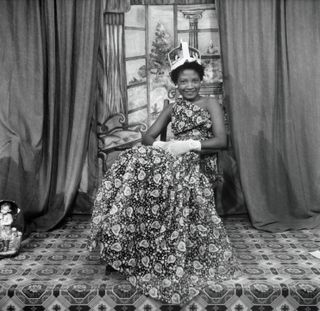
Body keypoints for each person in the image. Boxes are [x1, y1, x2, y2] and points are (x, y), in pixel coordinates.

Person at [88, 41, 241, 305]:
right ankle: (129, 245)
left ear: (201, 80)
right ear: (176, 83)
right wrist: (164, 145)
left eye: (194, 80)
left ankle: (161, 245)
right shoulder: (172, 107)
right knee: (135, 159)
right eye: (183, 81)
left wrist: (189, 145)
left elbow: (221, 141)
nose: (189, 86)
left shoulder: (211, 104)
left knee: (152, 171)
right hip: (171, 157)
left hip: (199, 158)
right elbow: (148, 136)